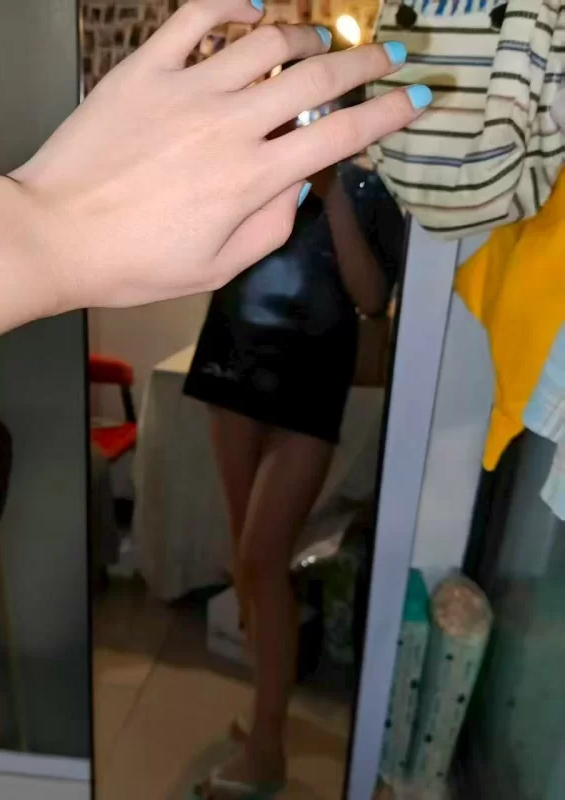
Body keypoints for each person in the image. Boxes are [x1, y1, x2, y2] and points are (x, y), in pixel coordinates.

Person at [0, 0, 428, 482]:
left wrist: (48, 228)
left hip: (310, 378)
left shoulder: (363, 190)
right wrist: (48, 229)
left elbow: (371, 297)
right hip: (237, 368)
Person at [183, 82, 404, 797]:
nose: (312, 119)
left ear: (352, 116)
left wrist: (331, 187)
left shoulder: (373, 186)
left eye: (327, 110)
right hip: (234, 358)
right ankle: (265, 718)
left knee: (261, 558)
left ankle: (268, 751)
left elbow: (371, 298)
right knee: (246, 562)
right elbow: (207, 248)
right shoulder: (256, 165)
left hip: (310, 381)